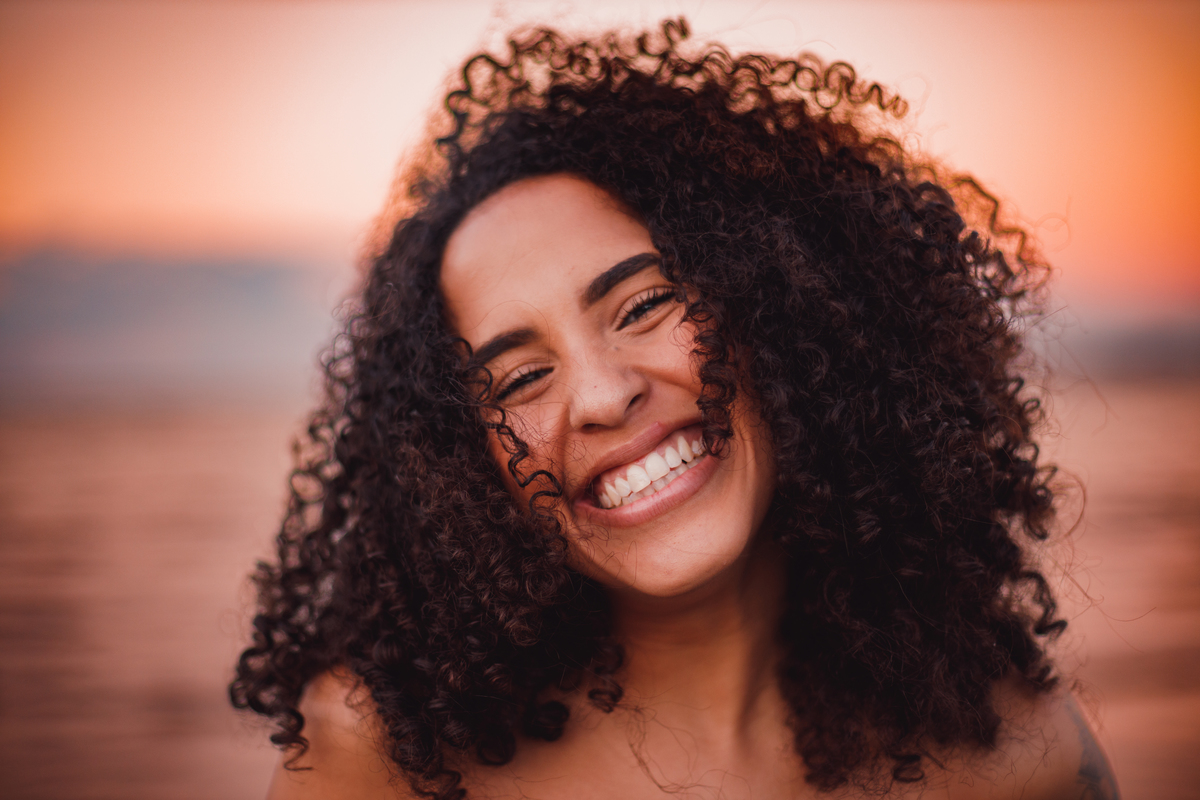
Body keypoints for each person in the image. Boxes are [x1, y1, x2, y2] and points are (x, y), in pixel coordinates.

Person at [231, 19, 1120, 800]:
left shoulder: (1022, 760)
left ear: (784, 308)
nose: (605, 395)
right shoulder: (383, 766)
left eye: (645, 307)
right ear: (462, 470)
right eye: (517, 380)